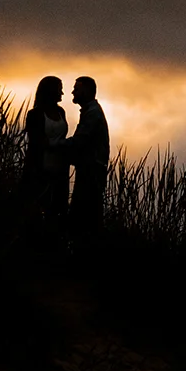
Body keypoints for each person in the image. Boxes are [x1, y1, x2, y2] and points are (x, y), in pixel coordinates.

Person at [65, 74, 109, 244]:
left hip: (91, 171)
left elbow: (79, 140)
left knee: (84, 213)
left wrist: (55, 145)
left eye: (76, 89)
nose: (72, 92)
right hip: (91, 169)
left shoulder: (92, 114)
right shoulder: (91, 112)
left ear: (86, 90)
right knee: (88, 213)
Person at [22, 75, 70, 225]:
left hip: (59, 169)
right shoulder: (35, 114)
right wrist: (62, 144)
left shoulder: (61, 112)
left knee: (57, 209)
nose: (62, 93)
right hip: (39, 168)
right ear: (50, 91)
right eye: (59, 89)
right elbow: (36, 142)